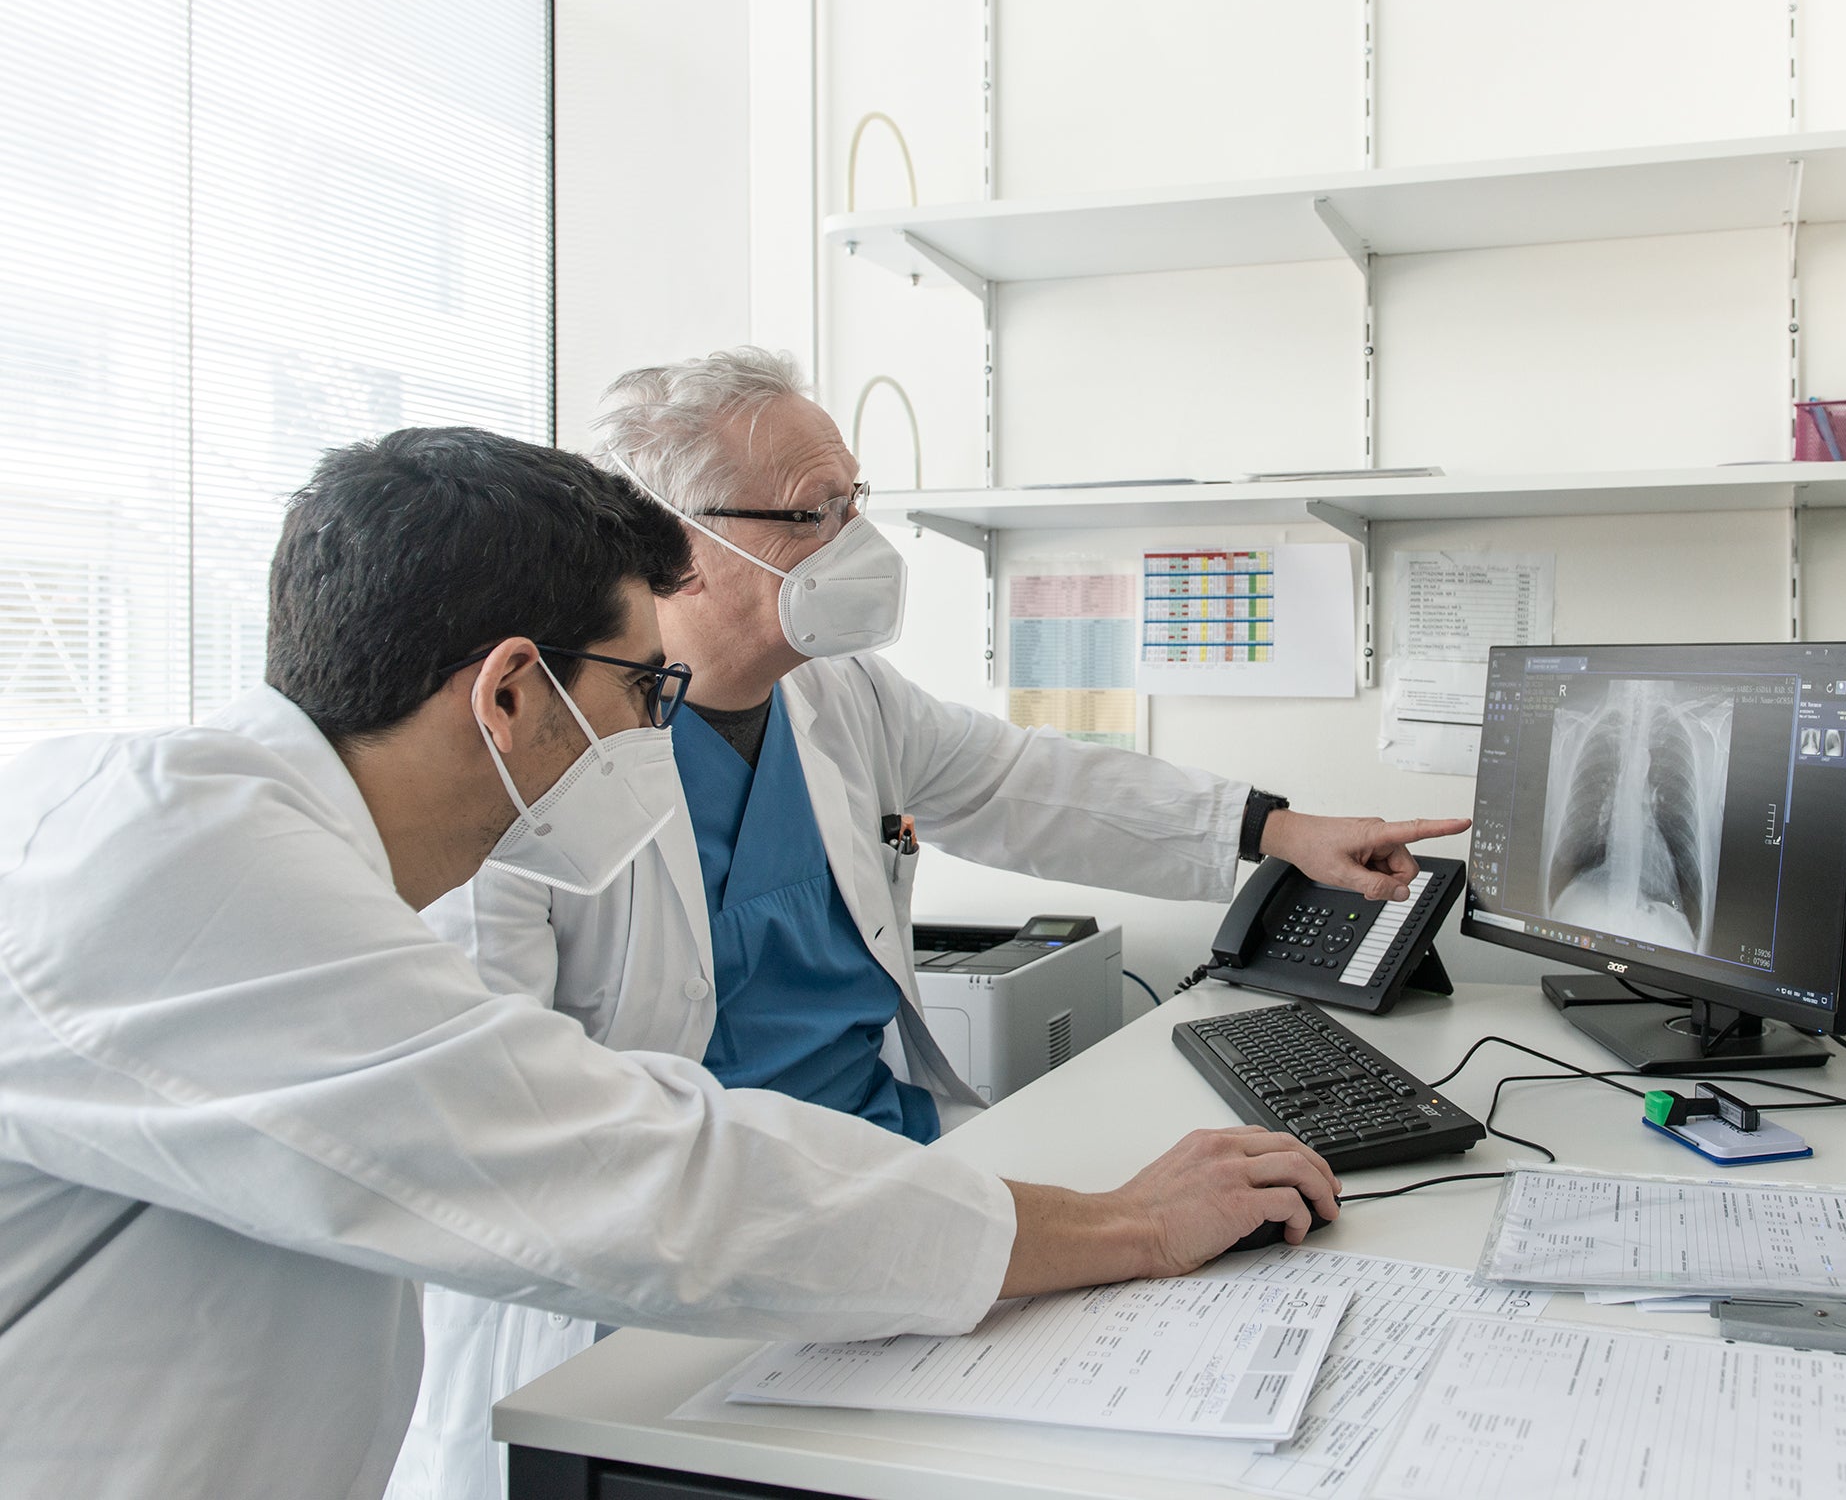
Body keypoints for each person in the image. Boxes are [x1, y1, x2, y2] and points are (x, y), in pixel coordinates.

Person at [0, 427, 1340, 1500]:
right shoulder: (171, 871)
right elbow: (625, 1171)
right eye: (647, 691)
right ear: (511, 692)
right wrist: (1130, 1223)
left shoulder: (251, 842)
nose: (663, 724)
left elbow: (1019, 778)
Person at [391, 348, 1469, 1499]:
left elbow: (1019, 783)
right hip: (680, 1290)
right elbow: (543, 1156)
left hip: (902, 1191)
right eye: (814, 511)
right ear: (673, 542)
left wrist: (1274, 828)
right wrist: (1118, 1225)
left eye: (855, 501)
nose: (858, 540)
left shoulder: (833, 692)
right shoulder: (521, 769)